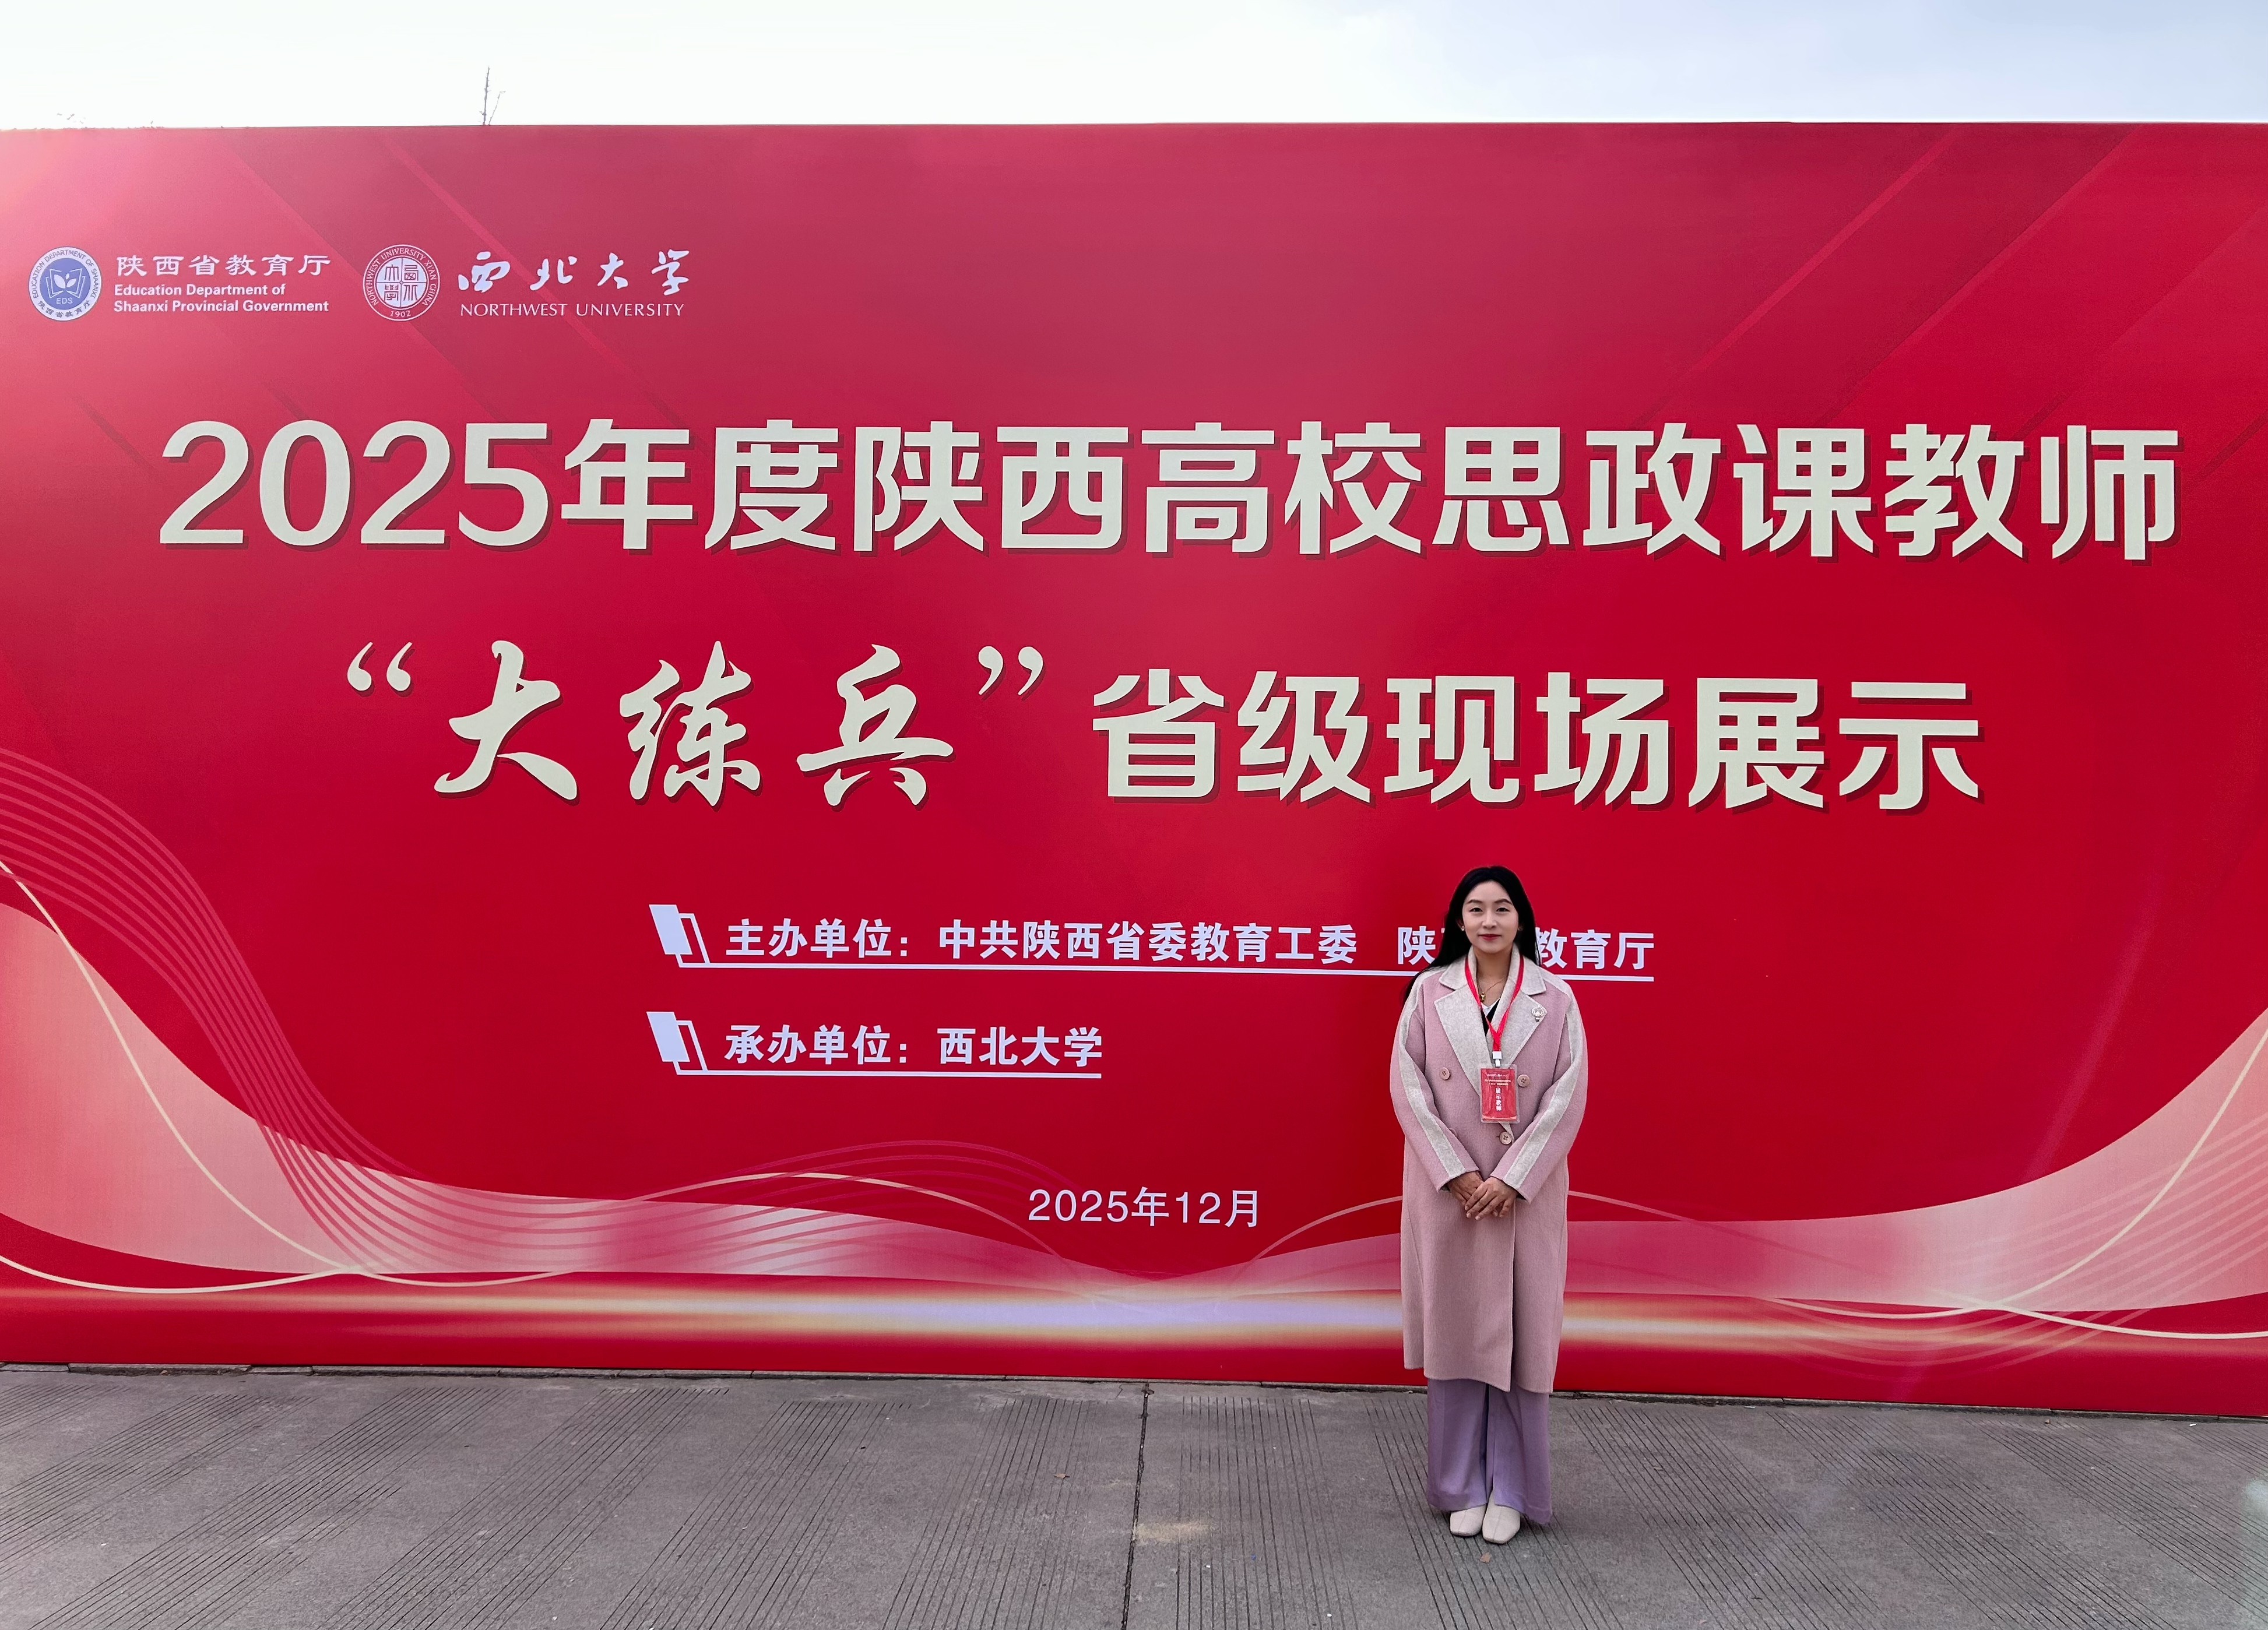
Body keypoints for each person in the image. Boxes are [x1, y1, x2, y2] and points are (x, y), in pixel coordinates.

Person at [1388, 864, 1587, 1544]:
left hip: (1523, 1196)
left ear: (1521, 918)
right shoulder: (1429, 991)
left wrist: (1512, 1177)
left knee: (1522, 1339)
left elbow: (1566, 1099)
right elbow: (1409, 1088)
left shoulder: (1555, 998)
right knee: (1456, 1337)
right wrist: (1457, 1172)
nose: (1490, 920)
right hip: (1452, 1194)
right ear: (1459, 920)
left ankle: (1514, 1488)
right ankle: (1460, 1485)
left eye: (1502, 908)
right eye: (1476, 909)